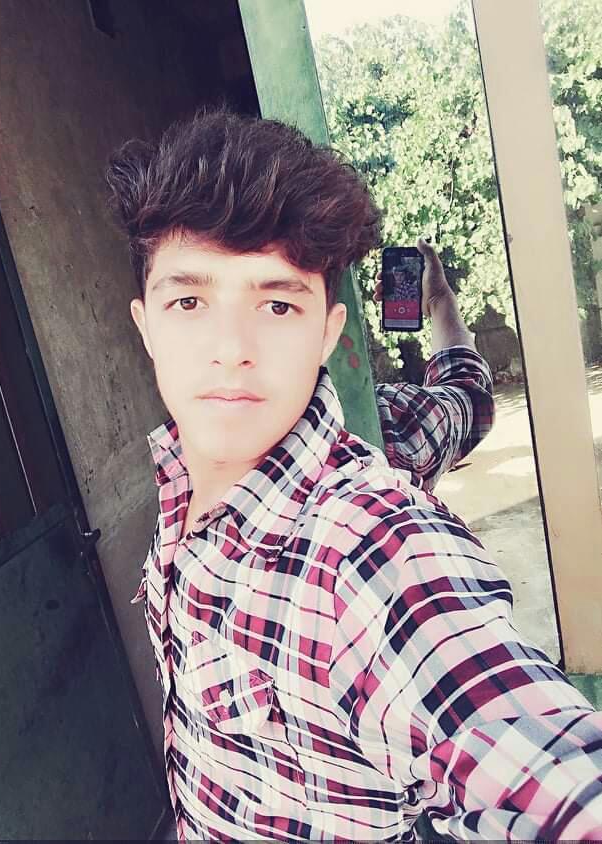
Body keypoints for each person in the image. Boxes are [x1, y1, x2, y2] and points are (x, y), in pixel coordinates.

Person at [107, 107, 602, 842]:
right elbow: (465, 399)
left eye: (278, 303)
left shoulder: (368, 551)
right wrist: (441, 307)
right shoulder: (186, 475)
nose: (231, 348)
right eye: (189, 301)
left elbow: (557, 781)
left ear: (327, 334)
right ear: (146, 325)